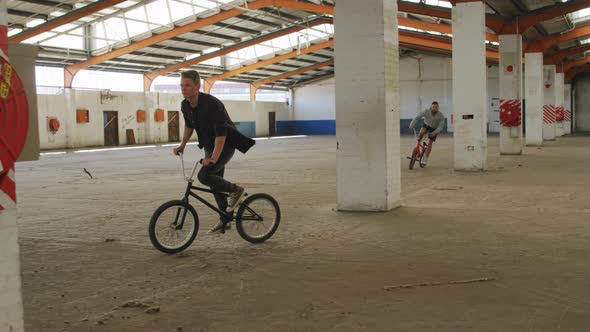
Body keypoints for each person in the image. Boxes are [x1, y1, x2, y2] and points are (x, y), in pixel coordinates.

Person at [173, 70, 255, 233]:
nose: (184, 89)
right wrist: (182, 145)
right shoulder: (185, 105)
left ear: (198, 86)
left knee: (204, 176)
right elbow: (190, 126)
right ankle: (225, 220)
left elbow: (221, 134)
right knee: (215, 183)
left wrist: (213, 158)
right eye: (182, 85)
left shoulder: (213, 104)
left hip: (226, 143)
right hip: (210, 145)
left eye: (188, 85)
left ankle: (236, 190)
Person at [408, 101, 445, 165]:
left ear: (438, 107)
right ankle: (417, 148)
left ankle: (425, 158)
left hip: (434, 128)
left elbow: (441, 126)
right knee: (421, 133)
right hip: (426, 125)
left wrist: (434, 132)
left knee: (430, 143)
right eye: (433, 107)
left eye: (436, 107)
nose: (434, 108)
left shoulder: (440, 115)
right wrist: (411, 124)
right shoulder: (426, 111)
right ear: (431, 106)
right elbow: (418, 117)